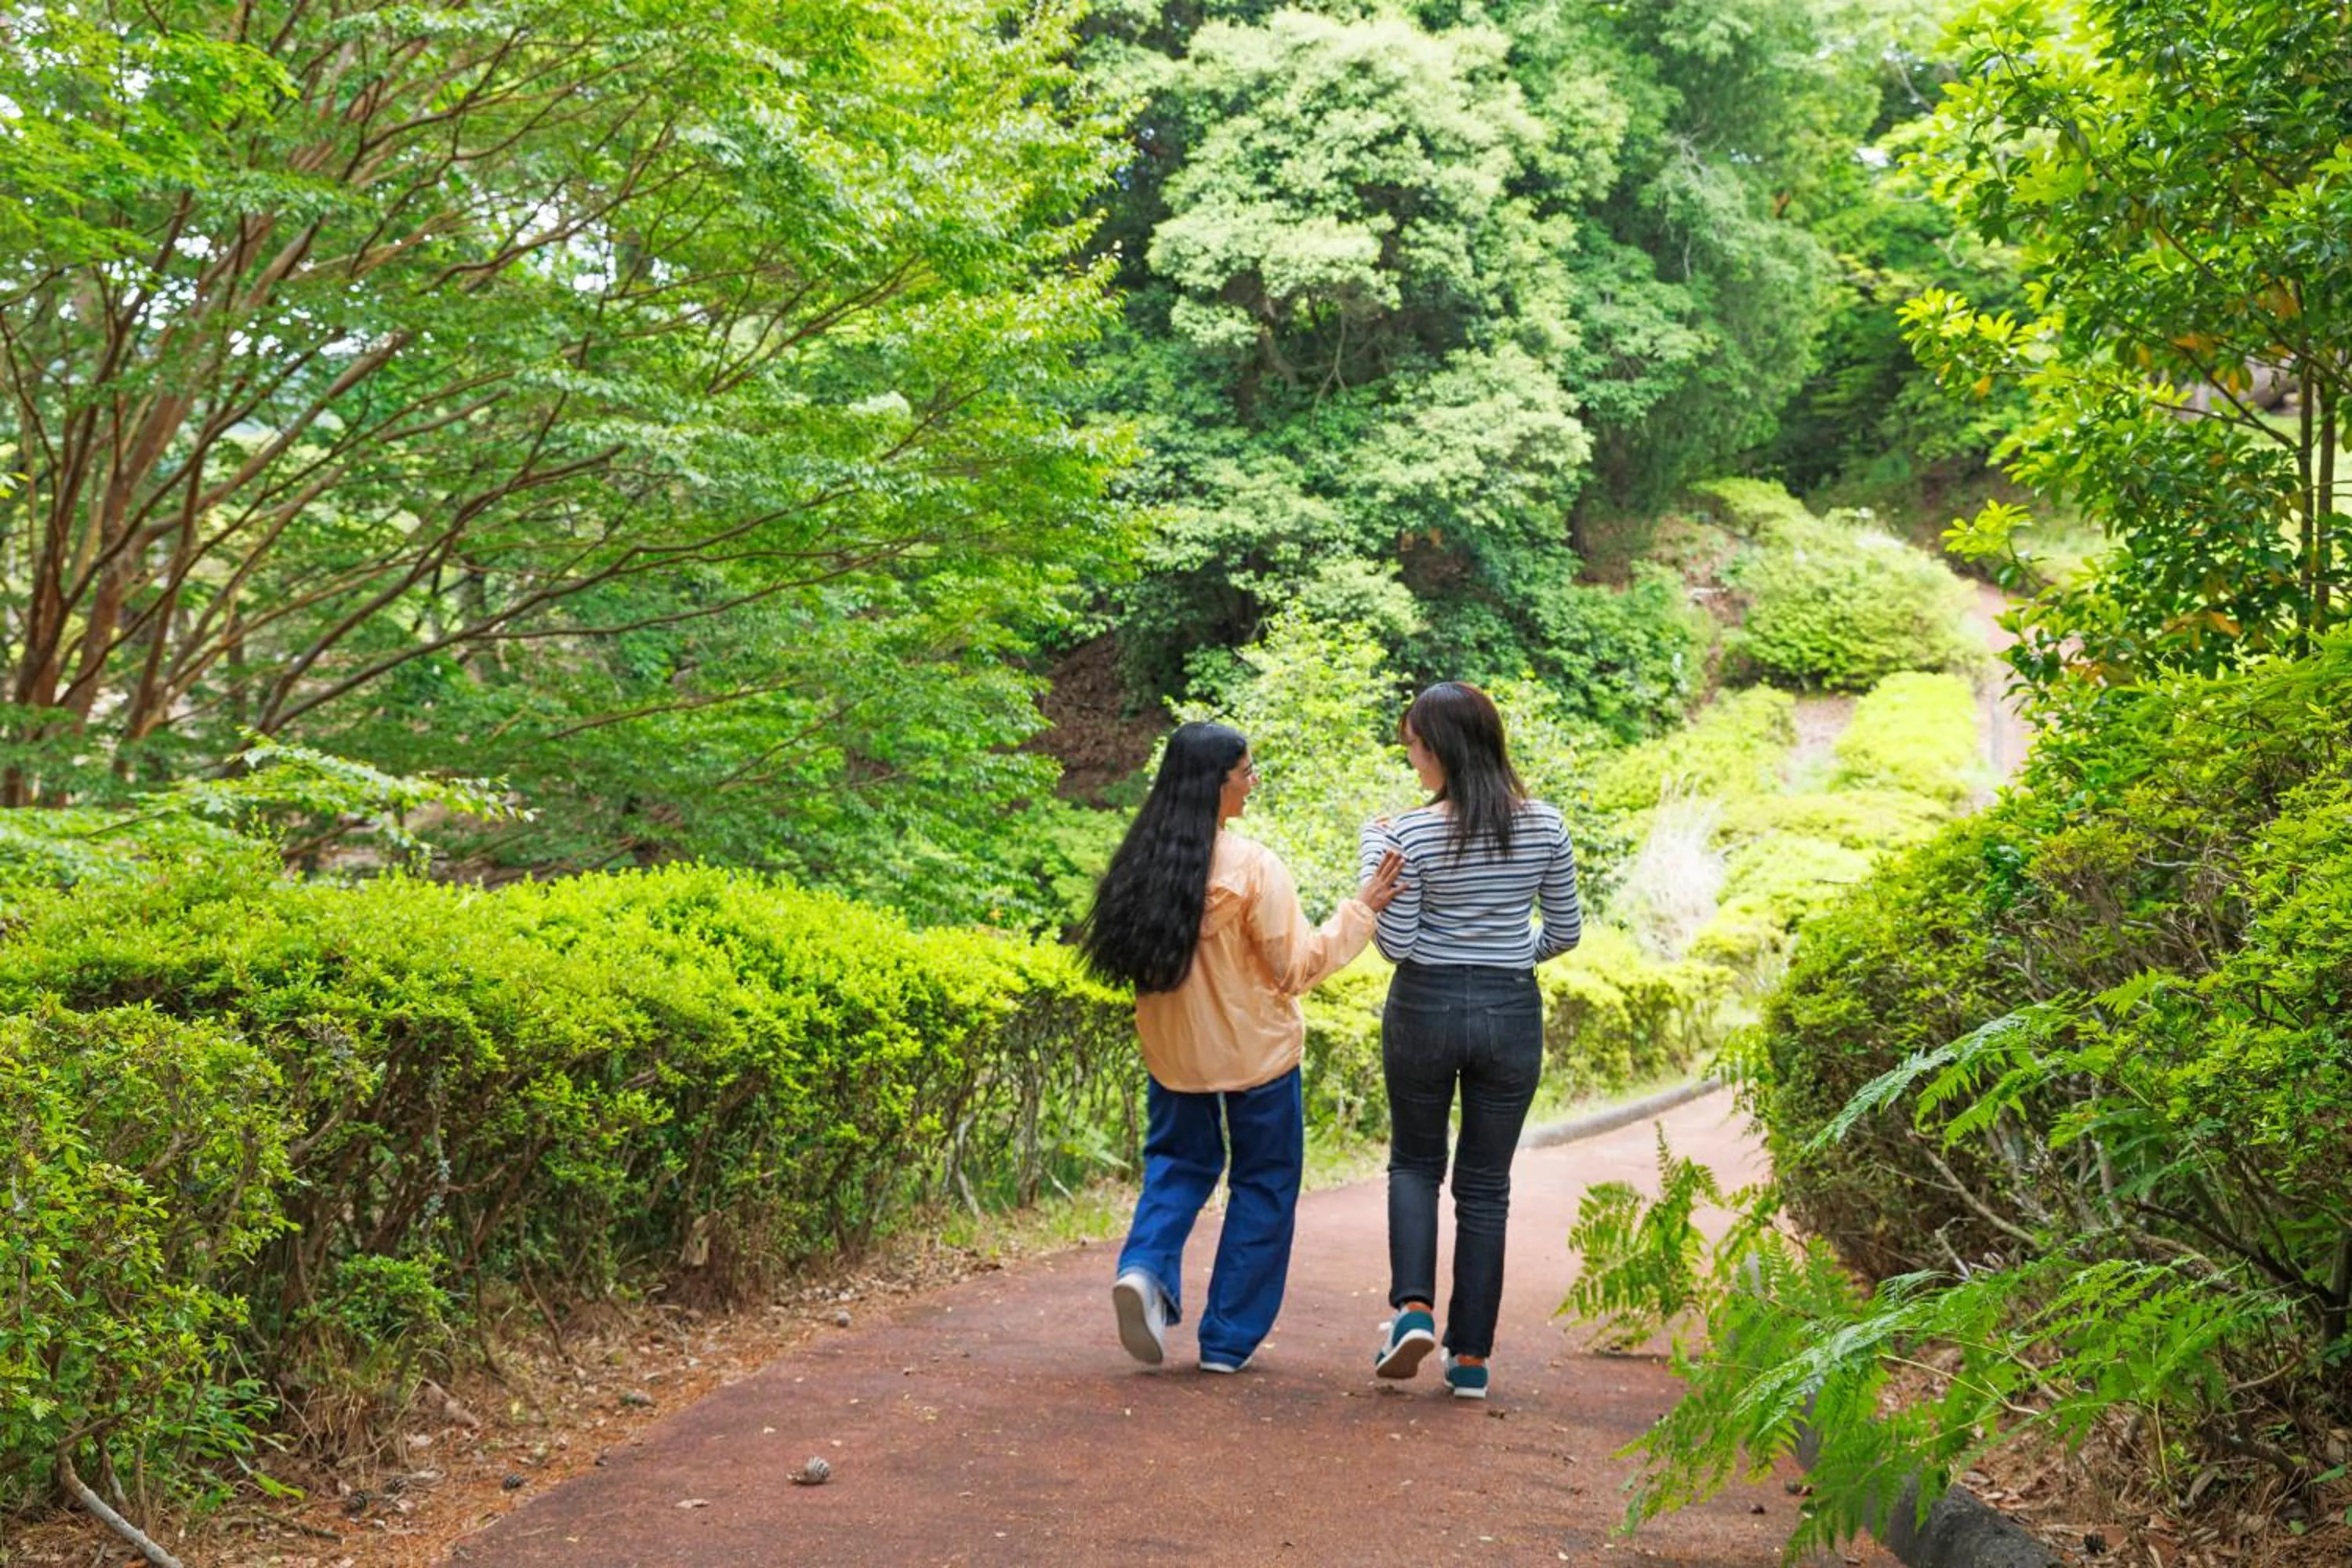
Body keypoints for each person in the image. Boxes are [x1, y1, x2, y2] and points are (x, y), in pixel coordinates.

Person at [1080, 720, 1405, 1374]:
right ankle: (1226, 1342)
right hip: (1257, 1057)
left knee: (1178, 1166)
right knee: (1264, 1184)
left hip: (1174, 1058)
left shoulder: (1140, 862)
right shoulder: (1254, 866)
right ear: (1217, 783)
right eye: (1246, 773)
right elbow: (1296, 968)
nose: (1253, 783)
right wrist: (1361, 910)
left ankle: (1144, 1270)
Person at [1356, 682, 1581, 1399]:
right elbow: (1566, 931)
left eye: (1415, 746)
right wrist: (1509, 957)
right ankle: (1473, 1358)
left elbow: (1395, 944)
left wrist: (1373, 850)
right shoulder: (1546, 825)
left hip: (1424, 1005)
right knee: (1486, 1187)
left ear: (1442, 748)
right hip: (1510, 1011)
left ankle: (1413, 1312)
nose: (1411, 758)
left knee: (1415, 1163)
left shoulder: (1410, 834)